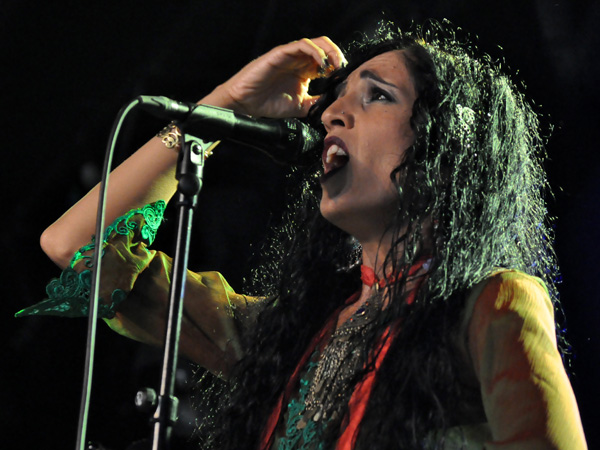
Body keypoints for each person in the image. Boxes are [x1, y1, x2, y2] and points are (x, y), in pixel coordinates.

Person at [19, 21, 587, 449]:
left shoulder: (494, 304)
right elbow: (74, 246)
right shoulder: (289, 333)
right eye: (337, 98)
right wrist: (222, 107)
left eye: (377, 95)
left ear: (446, 151)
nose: (331, 114)